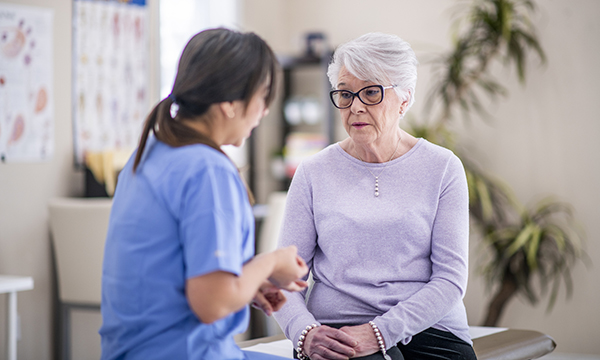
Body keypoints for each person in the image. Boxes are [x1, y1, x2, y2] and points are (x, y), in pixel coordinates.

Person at [99, 28, 309, 360]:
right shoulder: (207, 170)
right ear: (229, 103)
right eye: (263, 95)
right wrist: (269, 263)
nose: (265, 110)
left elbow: (169, 277)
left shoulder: (148, 154)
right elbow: (212, 304)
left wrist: (246, 284)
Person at [273, 32, 477, 360]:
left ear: (405, 100)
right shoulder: (313, 172)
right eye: (345, 93)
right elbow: (285, 278)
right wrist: (305, 334)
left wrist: (379, 332)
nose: (355, 106)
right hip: (338, 332)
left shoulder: (442, 168)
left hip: (430, 330)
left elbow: (450, 280)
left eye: (370, 93)